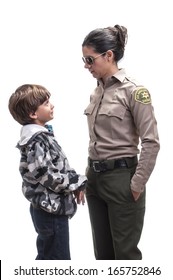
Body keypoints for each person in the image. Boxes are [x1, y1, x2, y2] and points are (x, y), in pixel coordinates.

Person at [82, 24, 160, 260]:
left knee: (125, 257)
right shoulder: (97, 92)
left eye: (89, 59)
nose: (86, 66)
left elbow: (151, 142)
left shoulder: (134, 91)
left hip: (121, 179)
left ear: (108, 55)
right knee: (103, 256)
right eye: (83, 60)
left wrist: (136, 185)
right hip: (94, 179)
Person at [8, 84, 87, 260]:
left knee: (49, 255)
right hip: (50, 211)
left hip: (49, 208)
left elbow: (59, 166)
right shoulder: (36, 141)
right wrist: (78, 181)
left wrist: (74, 182)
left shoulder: (42, 137)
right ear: (33, 114)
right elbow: (47, 176)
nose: (52, 105)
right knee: (56, 259)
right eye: (46, 103)